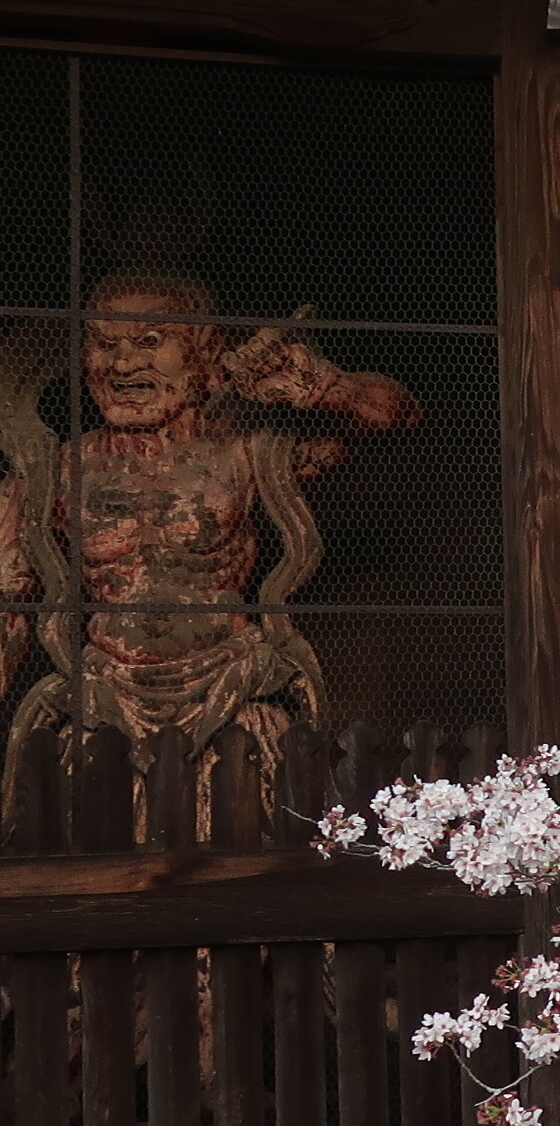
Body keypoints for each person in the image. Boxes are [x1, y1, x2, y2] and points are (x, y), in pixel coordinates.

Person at [0, 269, 419, 826]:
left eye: (150, 341)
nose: (122, 364)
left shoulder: (245, 455)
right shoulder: (51, 475)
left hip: (230, 689)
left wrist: (322, 387)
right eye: (104, 344)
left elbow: (399, 420)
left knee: (245, 833)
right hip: (102, 701)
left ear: (204, 353)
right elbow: (9, 610)